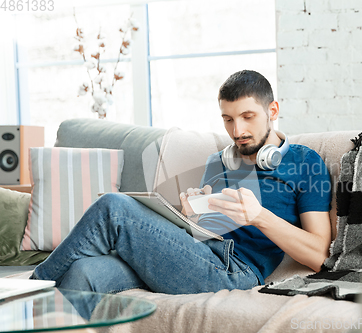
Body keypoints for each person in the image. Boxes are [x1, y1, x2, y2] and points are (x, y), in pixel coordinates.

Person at [31, 70, 333, 295]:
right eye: (227, 119)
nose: (237, 130)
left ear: (273, 111)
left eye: (248, 116)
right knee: (85, 272)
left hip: (236, 270)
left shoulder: (305, 163)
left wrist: (259, 217)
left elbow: (320, 257)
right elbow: (203, 233)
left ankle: (26, 292)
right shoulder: (222, 160)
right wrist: (191, 215)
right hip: (195, 253)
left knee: (114, 208)